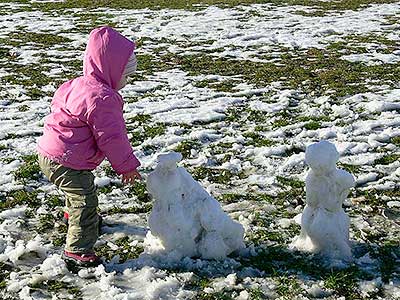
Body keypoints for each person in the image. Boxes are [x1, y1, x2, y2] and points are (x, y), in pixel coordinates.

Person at [37, 26, 141, 268]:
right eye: (125, 76)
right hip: (66, 161)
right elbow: (112, 138)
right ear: (112, 70)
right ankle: (78, 251)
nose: (125, 82)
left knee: (76, 192)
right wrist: (126, 166)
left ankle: (72, 216)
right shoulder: (104, 99)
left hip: (47, 153)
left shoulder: (75, 84)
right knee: (85, 199)